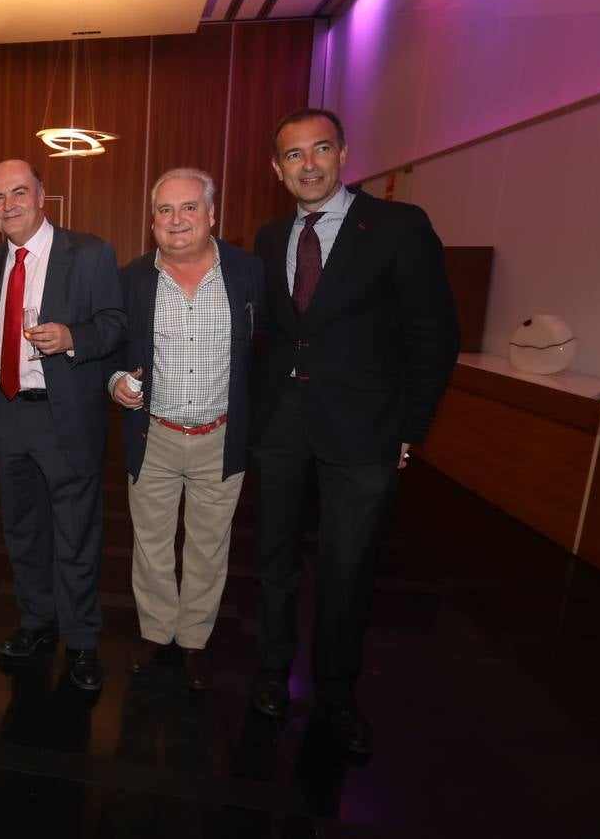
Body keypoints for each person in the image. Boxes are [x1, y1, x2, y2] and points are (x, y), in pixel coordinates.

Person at [250, 108, 458, 754]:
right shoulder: (269, 235)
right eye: (293, 155)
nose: (307, 164)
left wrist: (409, 427)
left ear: (342, 155)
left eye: (320, 150)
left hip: (365, 427)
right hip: (280, 421)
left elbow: (434, 334)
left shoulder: (398, 227)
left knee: (346, 567)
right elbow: (277, 331)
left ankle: (338, 692)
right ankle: (273, 671)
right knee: (274, 560)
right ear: (277, 169)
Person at [110, 168, 264, 691]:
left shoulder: (247, 273)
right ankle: (156, 633)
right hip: (152, 436)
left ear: (212, 214)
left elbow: (270, 350)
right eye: (164, 211)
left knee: (208, 547)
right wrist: (115, 382)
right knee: (151, 546)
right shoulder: (132, 278)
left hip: (221, 439)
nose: (177, 221)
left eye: (189, 208)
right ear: (152, 221)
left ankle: (194, 639)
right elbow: (111, 350)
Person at [0, 159, 126, 692]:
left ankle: (84, 641)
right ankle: (38, 622)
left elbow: (115, 323)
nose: (9, 205)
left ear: (42, 196)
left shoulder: (89, 253)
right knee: (22, 531)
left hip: (64, 415)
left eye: (19, 193)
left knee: (76, 535)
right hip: (9, 412)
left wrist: (70, 337)